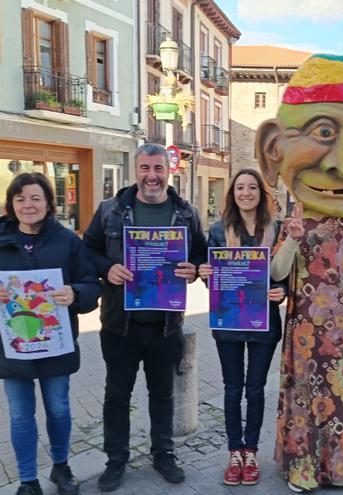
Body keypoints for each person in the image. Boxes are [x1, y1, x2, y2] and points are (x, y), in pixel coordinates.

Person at [256, 54, 343, 493]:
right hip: (306, 336)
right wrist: (292, 237)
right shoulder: (297, 227)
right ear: (275, 149)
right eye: (322, 133)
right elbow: (275, 271)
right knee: (306, 403)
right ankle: (303, 469)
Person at [0, 172, 101, 495]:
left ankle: (61, 467)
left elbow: (92, 284)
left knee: (59, 408)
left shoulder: (67, 241)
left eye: (36, 198)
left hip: (56, 345)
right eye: (20, 198)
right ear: (11, 204)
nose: (28, 205)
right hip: (13, 349)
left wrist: (75, 294)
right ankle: (27, 479)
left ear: (49, 203)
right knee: (21, 415)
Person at [82, 143, 207, 491]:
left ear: (169, 171)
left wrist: (193, 269)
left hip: (165, 325)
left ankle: (163, 453)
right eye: (145, 168)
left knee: (162, 393)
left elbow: (199, 252)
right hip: (120, 324)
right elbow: (87, 250)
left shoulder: (186, 213)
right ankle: (116, 459)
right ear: (135, 171)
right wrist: (107, 269)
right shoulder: (110, 211)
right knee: (117, 395)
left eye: (158, 169)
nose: (152, 176)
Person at [197, 169, 287, 486]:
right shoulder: (219, 230)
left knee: (256, 390)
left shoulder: (276, 230)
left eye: (252, 187)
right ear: (232, 194)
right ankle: (234, 452)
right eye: (240, 188)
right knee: (233, 390)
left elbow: (285, 274)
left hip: (264, 323)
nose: (245, 193)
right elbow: (214, 280)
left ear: (261, 193)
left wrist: (282, 291)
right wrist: (206, 273)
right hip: (230, 322)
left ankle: (251, 452)